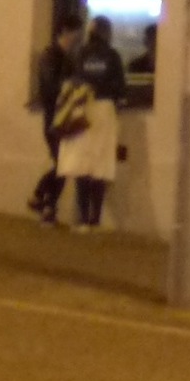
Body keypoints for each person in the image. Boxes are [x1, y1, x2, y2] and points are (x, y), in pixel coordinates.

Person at [69, 14, 126, 231]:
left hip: (83, 108)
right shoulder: (112, 55)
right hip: (105, 110)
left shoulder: (80, 54)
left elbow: (73, 81)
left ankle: (83, 218)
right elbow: (120, 88)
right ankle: (95, 218)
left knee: (83, 163)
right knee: (100, 163)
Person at [29, 10, 86, 225]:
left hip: (61, 117)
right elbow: (51, 86)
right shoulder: (51, 56)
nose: (79, 38)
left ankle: (47, 206)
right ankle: (41, 197)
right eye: (76, 32)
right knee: (63, 163)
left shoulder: (64, 58)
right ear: (65, 31)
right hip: (55, 118)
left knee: (63, 164)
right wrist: (71, 88)